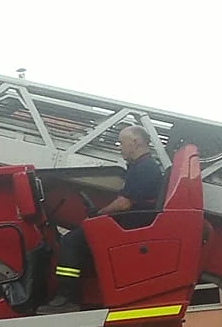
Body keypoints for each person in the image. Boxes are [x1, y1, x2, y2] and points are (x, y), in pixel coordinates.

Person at [35, 125, 164, 315]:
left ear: (135, 142)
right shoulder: (143, 167)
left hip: (130, 223)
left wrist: (99, 214)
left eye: (122, 142)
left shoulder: (144, 168)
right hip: (132, 221)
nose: (119, 147)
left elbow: (124, 204)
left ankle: (67, 297)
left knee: (71, 241)